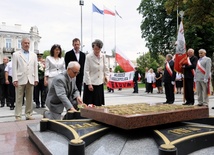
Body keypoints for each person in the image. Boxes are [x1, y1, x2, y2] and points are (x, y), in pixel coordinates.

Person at [12, 37, 38, 121]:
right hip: (20, 79)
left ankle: (28, 114)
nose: (27, 44)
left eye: (28, 43)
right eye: (25, 43)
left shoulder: (33, 55)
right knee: (19, 98)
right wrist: (14, 79)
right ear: (22, 44)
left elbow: (35, 67)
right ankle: (18, 115)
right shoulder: (16, 54)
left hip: (30, 78)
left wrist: (36, 79)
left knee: (30, 99)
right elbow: (14, 68)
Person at [83, 39, 109, 106]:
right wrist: (89, 84)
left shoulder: (103, 56)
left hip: (99, 83)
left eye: (98, 49)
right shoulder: (88, 57)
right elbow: (86, 71)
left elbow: (106, 68)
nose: (96, 50)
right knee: (89, 105)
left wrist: (106, 77)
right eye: (95, 49)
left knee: (98, 104)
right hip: (91, 83)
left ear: (100, 48)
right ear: (93, 48)